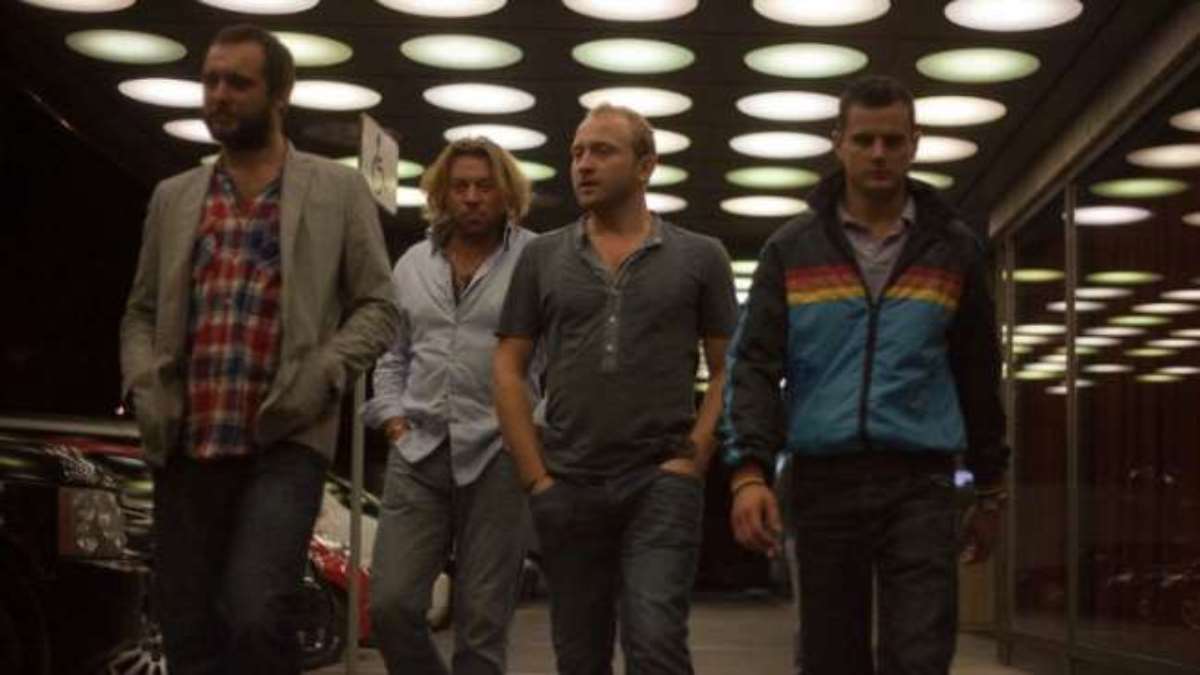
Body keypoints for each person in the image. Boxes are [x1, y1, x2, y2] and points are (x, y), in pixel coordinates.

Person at [119, 24, 397, 674]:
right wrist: (143, 383)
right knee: (187, 627)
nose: (219, 94)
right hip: (186, 442)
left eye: (238, 83)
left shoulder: (336, 190)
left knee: (255, 611)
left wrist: (324, 372)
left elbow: (379, 307)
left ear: (279, 94)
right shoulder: (174, 197)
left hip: (285, 442)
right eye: (211, 81)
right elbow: (140, 313)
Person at [724, 75, 1010, 675]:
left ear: (914, 143)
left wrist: (989, 487)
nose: (878, 153)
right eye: (864, 140)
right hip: (824, 477)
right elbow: (754, 365)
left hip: (921, 480)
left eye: (892, 140)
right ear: (839, 143)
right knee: (830, 656)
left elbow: (978, 370)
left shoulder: (952, 249)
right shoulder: (791, 249)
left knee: (921, 653)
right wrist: (749, 472)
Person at [493, 103, 738, 675]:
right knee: (579, 656)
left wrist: (694, 459)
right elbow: (507, 366)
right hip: (568, 482)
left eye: (602, 151)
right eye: (577, 152)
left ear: (646, 166)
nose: (584, 164)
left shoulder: (700, 256)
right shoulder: (542, 256)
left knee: (655, 644)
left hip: (659, 482)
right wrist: (536, 478)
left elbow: (730, 366)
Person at [364, 137, 537, 675]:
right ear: (442, 193)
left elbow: (560, 357)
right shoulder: (413, 264)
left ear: (505, 194)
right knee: (390, 606)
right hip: (418, 451)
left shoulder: (536, 259)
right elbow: (392, 353)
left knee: (482, 624)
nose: (471, 197)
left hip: (499, 455)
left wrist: (534, 432)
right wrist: (392, 420)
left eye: (484, 186)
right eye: (460, 186)